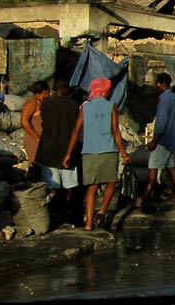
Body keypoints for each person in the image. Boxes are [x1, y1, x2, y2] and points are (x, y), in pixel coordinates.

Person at [62, 78, 131, 231]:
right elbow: (115, 132)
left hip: (89, 151)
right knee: (111, 182)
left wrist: (67, 154)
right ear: (105, 90)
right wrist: (124, 153)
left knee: (91, 188)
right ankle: (102, 211)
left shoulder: (85, 108)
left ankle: (88, 224)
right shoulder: (111, 106)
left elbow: (76, 131)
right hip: (108, 149)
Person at [143, 72, 175, 206]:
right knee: (170, 166)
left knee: (153, 166)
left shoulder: (163, 99)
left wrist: (154, 140)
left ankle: (146, 195)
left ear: (161, 84)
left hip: (164, 140)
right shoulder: (174, 98)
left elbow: (161, 122)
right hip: (173, 138)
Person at [36, 82, 80, 207]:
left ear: (54, 91)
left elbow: (44, 122)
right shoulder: (74, 106)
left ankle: (53, 209)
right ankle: (68, 209)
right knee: (70, 185)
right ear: (67, 92)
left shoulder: (46, 105)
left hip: (49, 148)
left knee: (51, 185)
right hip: (67, 148)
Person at [21, 81, 50, 176]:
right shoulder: (32, 102)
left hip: (40, 139)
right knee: (35, 165)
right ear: (44, 91)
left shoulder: (41, 102)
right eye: (47, 92)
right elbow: (24, 121)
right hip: (34, 139)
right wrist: (36, 137)